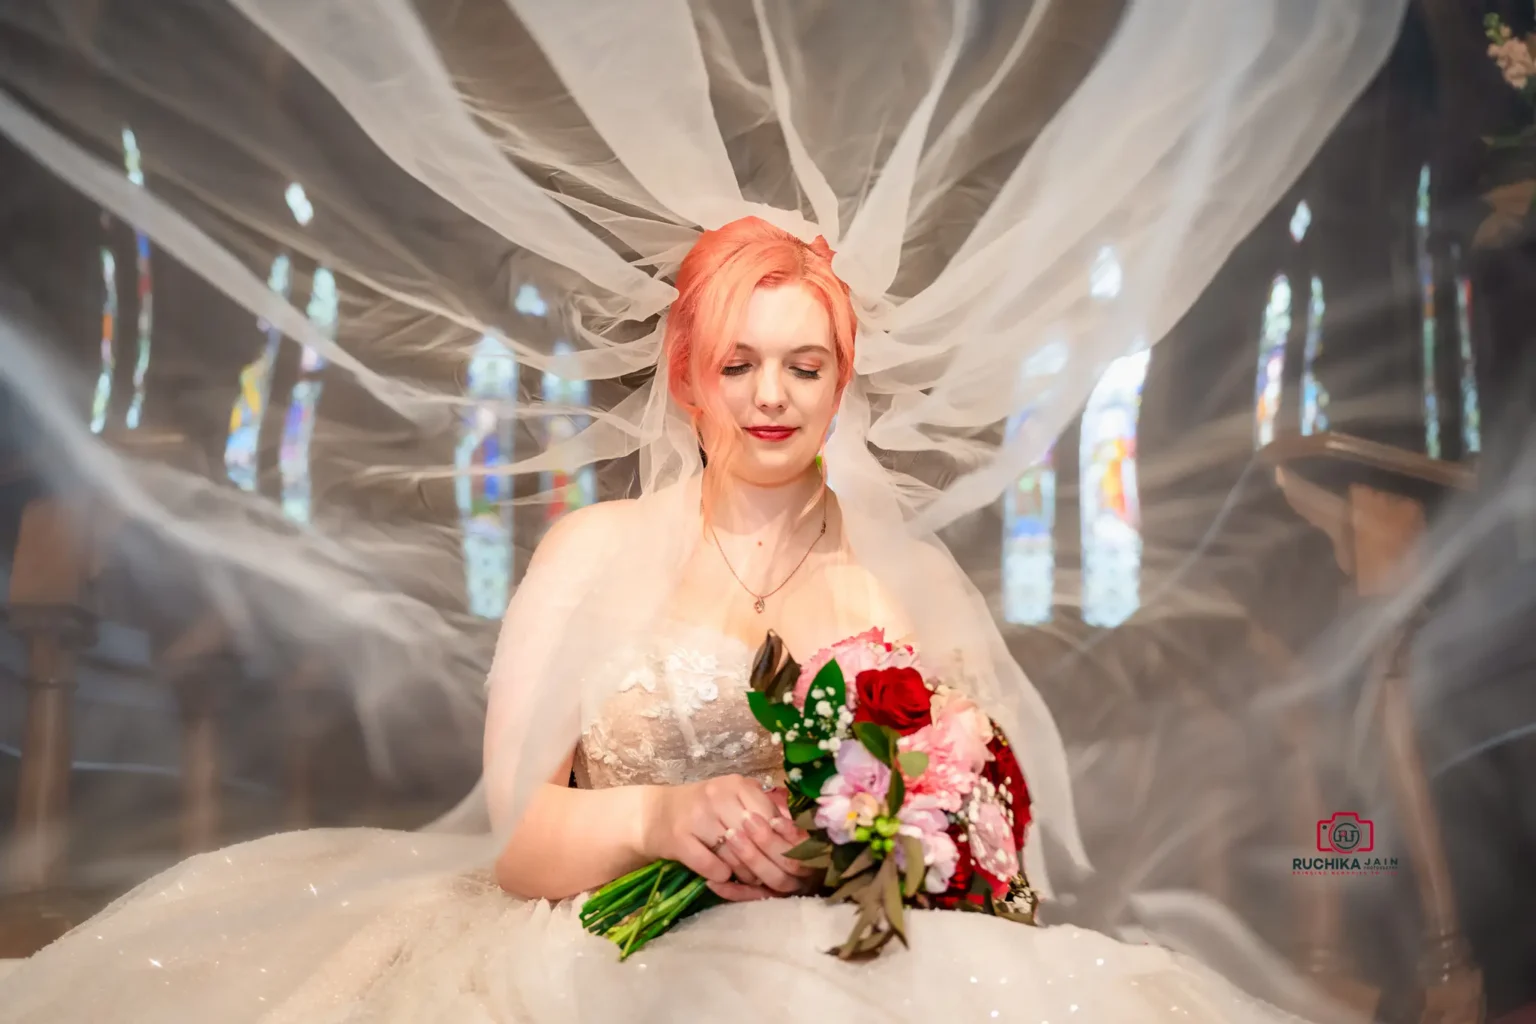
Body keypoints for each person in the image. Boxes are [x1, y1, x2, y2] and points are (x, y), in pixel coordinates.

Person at [0, 218, 1335, 1024]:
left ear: (841, 385)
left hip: (855, 957)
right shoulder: (595, 552)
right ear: (687, 379)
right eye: (737, 364)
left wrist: (899, 838)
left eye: (804, 366)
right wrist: (651, 822)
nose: (771, 396)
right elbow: (518, 833)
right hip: (604, 952)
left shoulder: (898, 584)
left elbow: (984, 815)